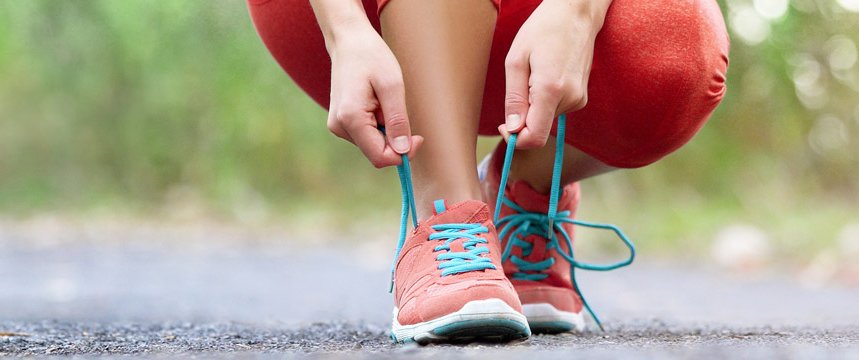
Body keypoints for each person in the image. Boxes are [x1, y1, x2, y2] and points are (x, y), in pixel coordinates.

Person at [248, 0, 729, 343]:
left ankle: (523, 186)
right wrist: (344, 29)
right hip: (342, 16)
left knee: (679, 46)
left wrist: (578, 10)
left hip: (544, 20)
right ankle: (447, 213)